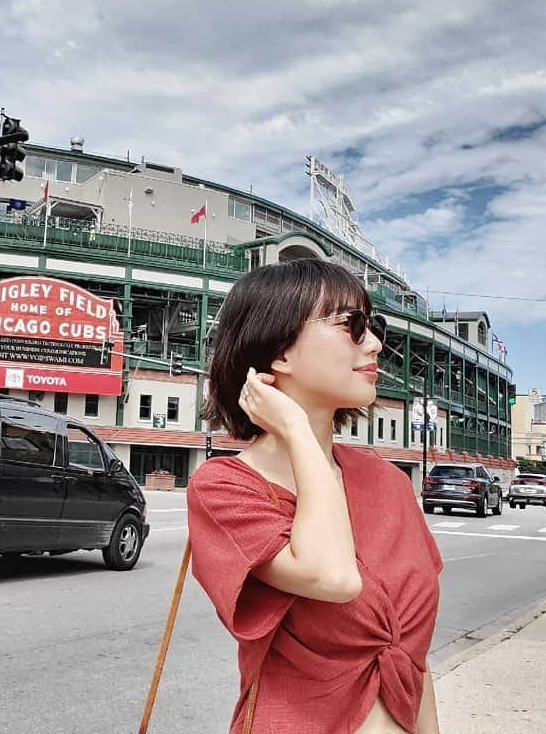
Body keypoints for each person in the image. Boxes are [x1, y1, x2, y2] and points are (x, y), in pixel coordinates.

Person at [187, 258, 442, 734]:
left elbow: (413, 663)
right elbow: (332, 577)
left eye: (374, 325)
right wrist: (296, 431)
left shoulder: (387, 483)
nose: (375, 343)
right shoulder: (224, 488)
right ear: (279, 351)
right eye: (353, 325)